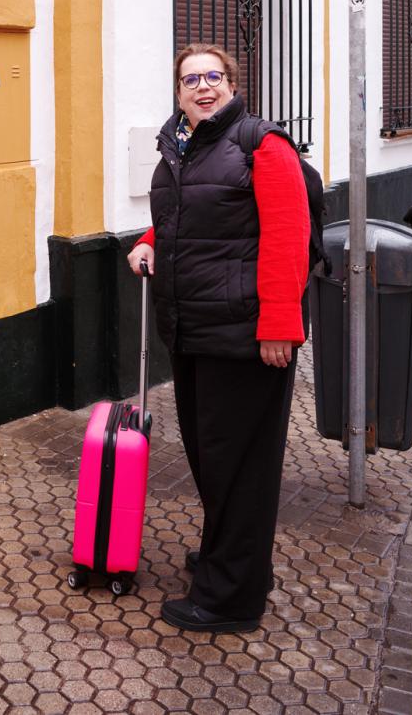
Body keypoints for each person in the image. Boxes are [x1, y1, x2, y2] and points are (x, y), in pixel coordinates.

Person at [127, 42, 310, 634]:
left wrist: (280, 323)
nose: (202, 87)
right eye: (191, 80)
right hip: (192, 328)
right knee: (212, 457)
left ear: (231, 83)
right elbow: (186, 213)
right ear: (179, 92)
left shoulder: (261, 144)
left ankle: (231, 599)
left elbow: (288, 234)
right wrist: (150, 240)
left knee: (240, 467)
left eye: (213, 76)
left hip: (245, 334)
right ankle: (232, 560)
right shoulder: (181, 145)